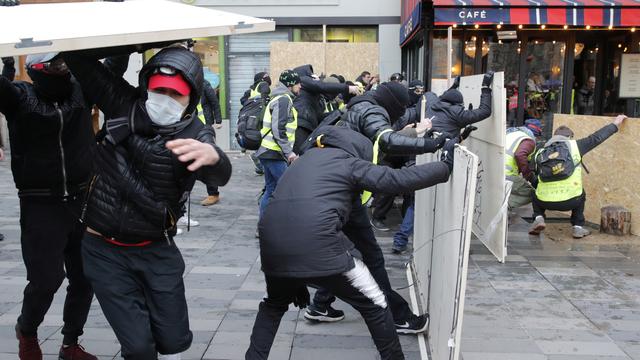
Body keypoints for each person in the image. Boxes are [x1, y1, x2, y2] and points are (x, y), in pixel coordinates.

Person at [63, 44, 232, 359]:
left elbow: (221, 173)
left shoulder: (194, 132)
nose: (165, 99)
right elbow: (79, 59)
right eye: (159, 90)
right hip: (104, 251)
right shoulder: (123, 103)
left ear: (191, 97)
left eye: (175, 93)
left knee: (174, 341)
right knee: (140, 348)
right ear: (146, 87)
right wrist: (134, 42)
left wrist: (215, 157)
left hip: (157, 250)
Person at [246, 125, 458, 360]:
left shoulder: (301, 163)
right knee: (376, 303)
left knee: (273, 306)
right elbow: (396, 180)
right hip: (319, 245)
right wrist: (444, 166)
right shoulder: (348, 162)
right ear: (357, 148)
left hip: (271, 244)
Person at [0, 50, 130, 360]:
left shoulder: (79, 89)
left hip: (83, 199)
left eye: (64, 63)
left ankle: (71, 344)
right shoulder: (19, 97)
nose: (62, 68)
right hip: (41, 203)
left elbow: (111, 67)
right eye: (56, 64)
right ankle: (27, 331)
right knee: (47, 278)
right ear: (36, 69)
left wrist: (126, 41)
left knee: (85, 276)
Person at [304, 81, 449, 334]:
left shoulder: (359, 106)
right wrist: (433, 145)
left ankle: (320, 305)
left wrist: (414, 134)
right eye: (401, 108)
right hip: (346, 195)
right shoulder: (373, 110)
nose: (402, 113)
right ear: (393, 103)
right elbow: (387, 141)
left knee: (347, 256)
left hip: (338, 191)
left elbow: (382, 138)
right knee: (372, 259)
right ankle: (398, 316)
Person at [529, 114, 627, 238]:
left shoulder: (540, 152)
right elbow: (597, 138)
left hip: (544, 202)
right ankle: (578, 227)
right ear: (569, 137)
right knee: (581, 193)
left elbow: (534, 177)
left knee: (534, 191)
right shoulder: (575, 146)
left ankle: (538, 217)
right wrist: (615, 123)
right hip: (571, 201)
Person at [256, 70, 301, 219]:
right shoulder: (283, 100)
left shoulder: (279, 98)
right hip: (274, 153)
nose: (300, 86)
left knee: (271, 189)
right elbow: (278, 128)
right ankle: (285, 225)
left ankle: (263, 225)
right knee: (287, 189)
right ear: (290, 85)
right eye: (297, 83)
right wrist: (289, 152)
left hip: (268, 152)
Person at [291, 64, 360, 154]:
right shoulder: (303, 79)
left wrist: (340, 111)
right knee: (300, 154)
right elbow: (322, 86)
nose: (314, 75)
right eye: (311, 73)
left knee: (302, 154)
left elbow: (319, 116)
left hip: (306, 124)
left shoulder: (309, 90)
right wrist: (347, 88)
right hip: (302, 124)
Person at [425, 72, 494, 137]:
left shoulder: (432, 105)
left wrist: (454, 86)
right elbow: (485, 111)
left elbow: (442, 97)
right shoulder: (457, 114)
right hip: (443, 147)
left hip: (428, 144)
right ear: (457, 104)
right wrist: (485, 87)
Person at [505, 119, 543, 210]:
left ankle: (503, 204)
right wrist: (528, 175)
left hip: (494, 170)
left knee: (509, 192)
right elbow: (520, 155)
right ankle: (506, 205)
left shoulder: (511, 134)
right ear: (536, 135)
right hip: (507, 174)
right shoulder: (529, 141)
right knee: (536, 194)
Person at [198, 79, 224, 206]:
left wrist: (218, 121)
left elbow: (215, 102)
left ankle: (213, 194)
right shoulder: (186, 83)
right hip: (189, 125)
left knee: (208, 160)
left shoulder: (204, 84)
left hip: (204, 127)